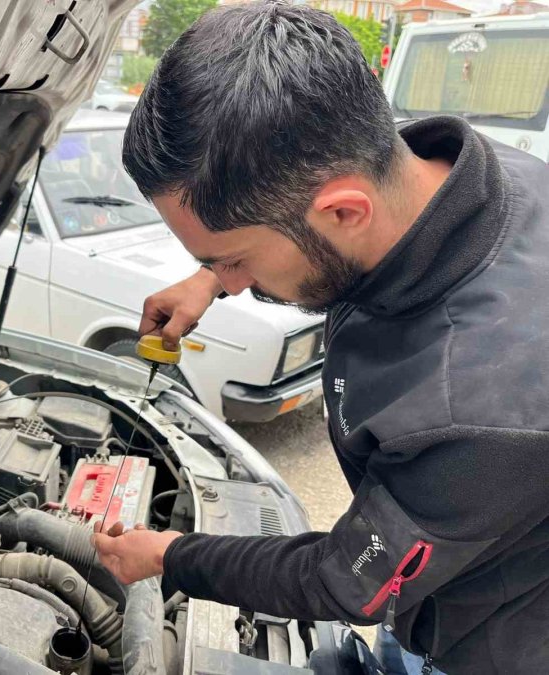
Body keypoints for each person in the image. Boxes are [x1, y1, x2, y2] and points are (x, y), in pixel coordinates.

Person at [90, 3, 549, 674]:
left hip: (484, 638)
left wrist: (168, 555)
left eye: (234, 258)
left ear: (343, 211)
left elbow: (348, 581)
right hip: (435, 556)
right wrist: (208, 277)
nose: (234, 283)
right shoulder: (431, 169)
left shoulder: (480, 413)